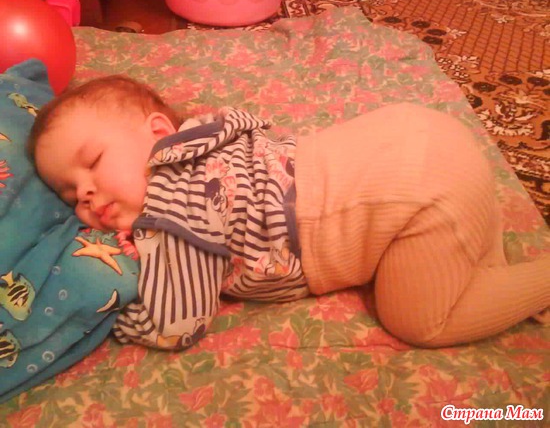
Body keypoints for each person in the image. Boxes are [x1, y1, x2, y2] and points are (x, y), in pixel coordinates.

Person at [28, 75, 549, 350]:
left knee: (420, 321)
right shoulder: (208, 136)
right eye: (72, 196)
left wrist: (121, 313)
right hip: (418, 135)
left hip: (420, 192)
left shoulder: (174, 201)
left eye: (92, 163)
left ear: (161, 136)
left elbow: (177, 323)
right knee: (465, 256)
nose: (87, 195)